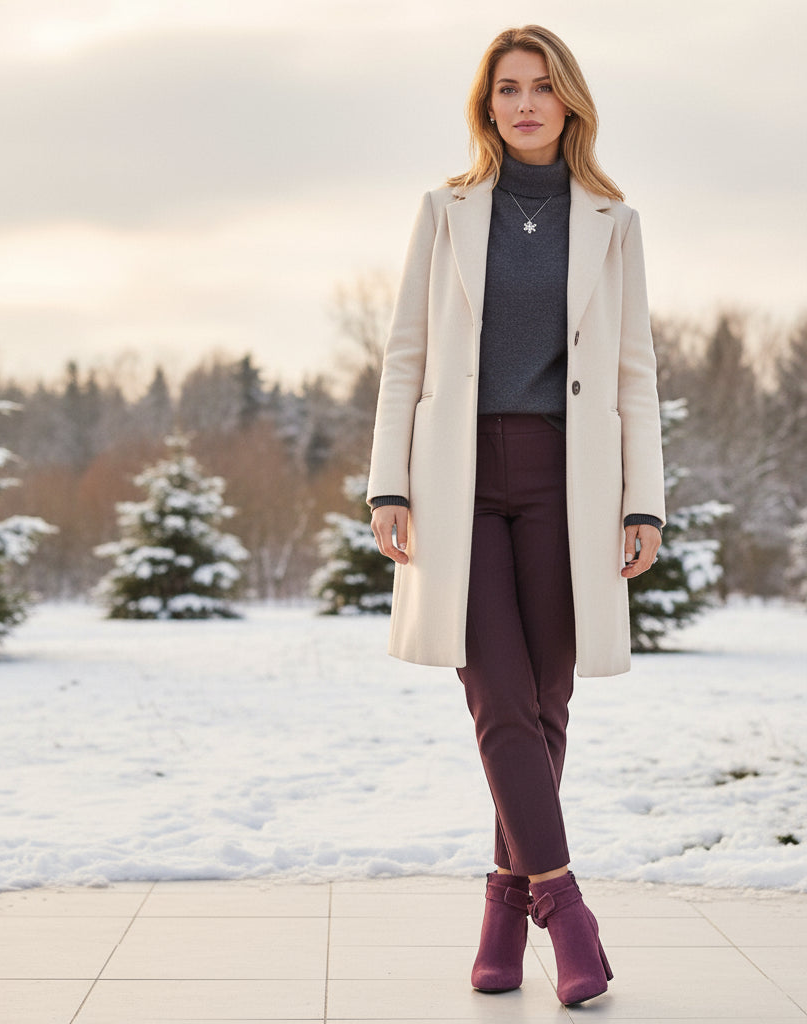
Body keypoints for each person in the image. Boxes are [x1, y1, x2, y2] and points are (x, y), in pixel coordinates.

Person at [367, 25, 665, 1007]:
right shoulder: (445, 211)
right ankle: (566, 911)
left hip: (567, 483)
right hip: (455, 479)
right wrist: (388, 483)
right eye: (507, 89)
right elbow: (405, 355)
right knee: (497, 696)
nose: (525, 104)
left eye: (541, 87)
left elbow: (633, 373)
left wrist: (643, 501)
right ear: (486, 105)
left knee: (546, 702)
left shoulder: (612, 221)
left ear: (568, 101)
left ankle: (504, 906)